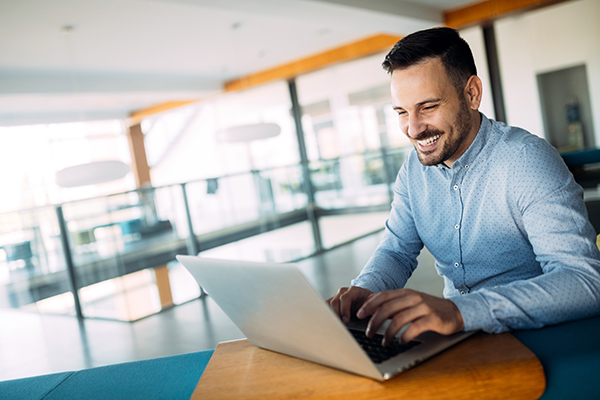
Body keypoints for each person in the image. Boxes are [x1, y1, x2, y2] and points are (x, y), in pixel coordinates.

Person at [327, 27, 600, 347]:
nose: (413, 129)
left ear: (472, 93)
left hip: (536, 337)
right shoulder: (413, 171)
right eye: (402, 112)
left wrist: (460, 311)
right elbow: (396, 250)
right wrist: (366, 291)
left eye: (427, 107)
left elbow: (585, 282)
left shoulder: (527, 161)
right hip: (459, 339)